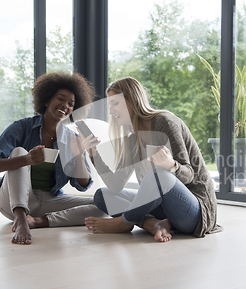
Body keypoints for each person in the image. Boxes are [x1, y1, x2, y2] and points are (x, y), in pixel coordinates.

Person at [84, 77, 221, 242]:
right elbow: (115, 185)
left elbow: (189, 174)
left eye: (115, 103)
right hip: (162, 209)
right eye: (109, 106)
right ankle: (152, 224)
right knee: (102, 195)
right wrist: (94, 154)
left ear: (133, 100)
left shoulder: (165, 122)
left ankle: (124, 222)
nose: (111, 111)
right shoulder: (132, 140)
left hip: (194, 210)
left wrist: (171, 165)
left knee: (159, 175)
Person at [0, 71, 105, 245]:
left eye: (71, 103)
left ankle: (38, 221)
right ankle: (21, 218)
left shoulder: (71, 138)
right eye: (60, 99)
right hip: (12, 202)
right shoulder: (22, 127)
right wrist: (26, 160)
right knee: (19, 152)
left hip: (49, 200)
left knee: (102, 205)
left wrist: (78, 156)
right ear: (46, 100)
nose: (65, 105)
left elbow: (82, 185)